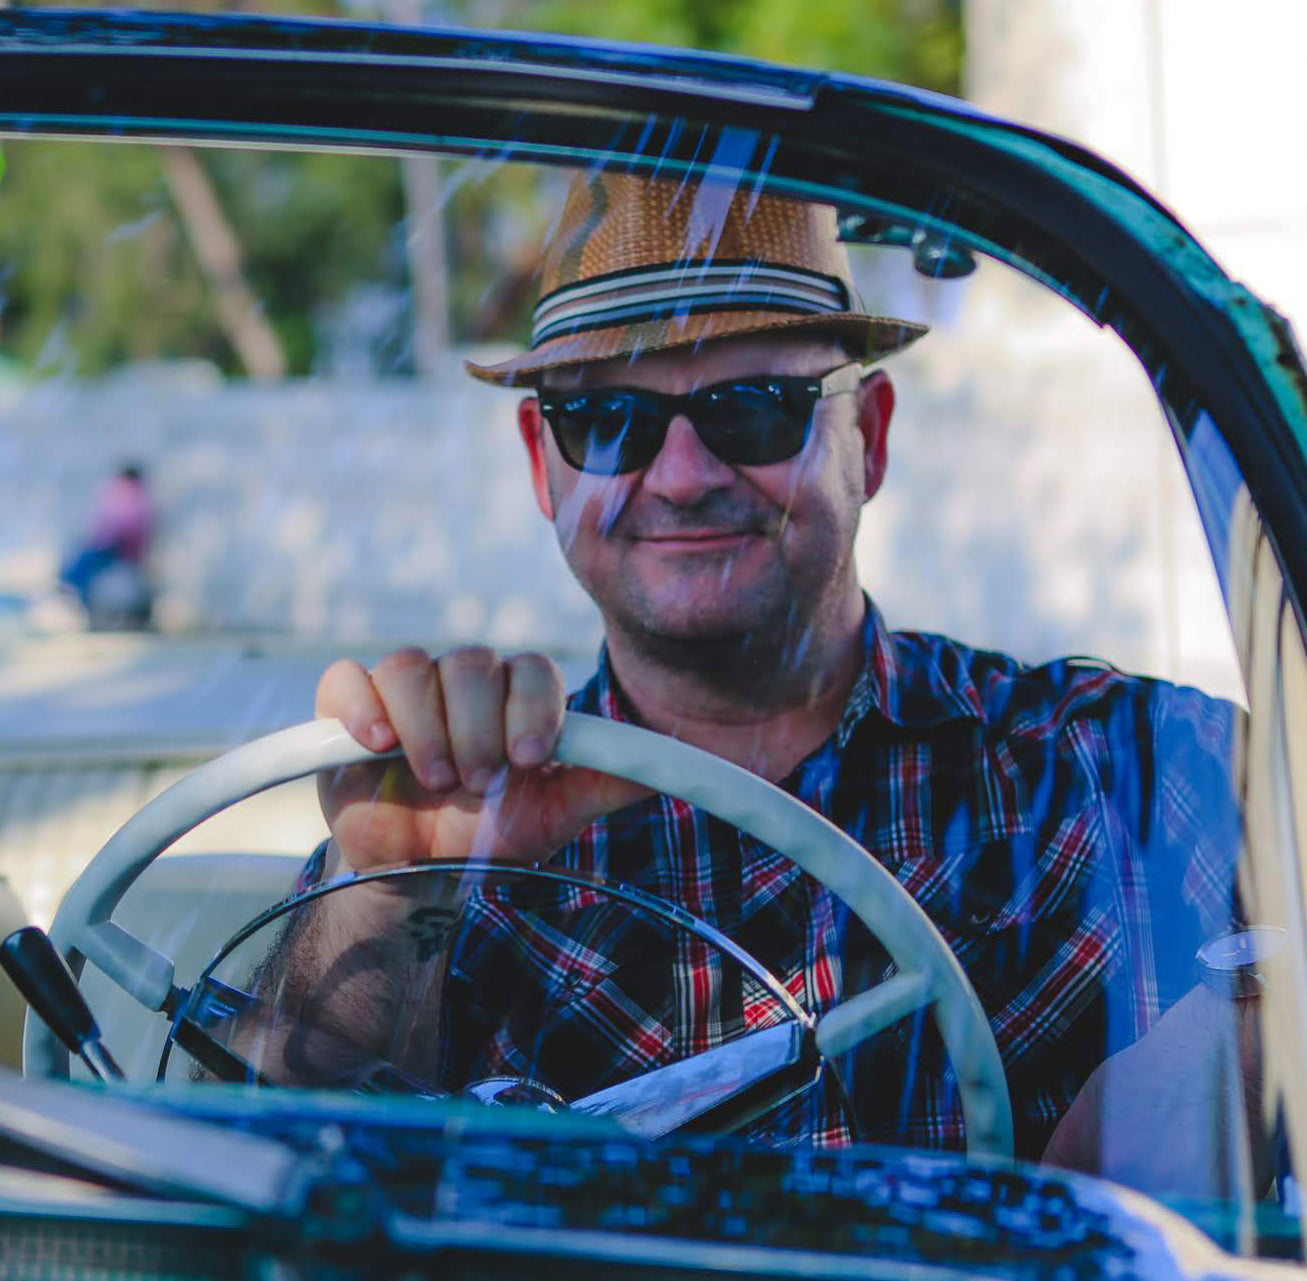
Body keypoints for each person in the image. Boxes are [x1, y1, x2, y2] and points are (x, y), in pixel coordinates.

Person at [273, 171, 1258, 1193]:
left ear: (865, 438)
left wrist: (1250, 1017)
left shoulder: (1098, 767)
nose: (683, 475)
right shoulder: (447, 818)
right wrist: (385, 890)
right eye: (609, 420)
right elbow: (275, 1172)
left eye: (755, 410)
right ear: (542, 463)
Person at [58, 463, 154, 628]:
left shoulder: (133, 498)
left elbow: (126, 528)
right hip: (111, 548)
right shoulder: (132, 497)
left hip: (117, 550)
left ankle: (81, 605)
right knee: (81, 569)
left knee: (78, 571)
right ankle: (78, 601)